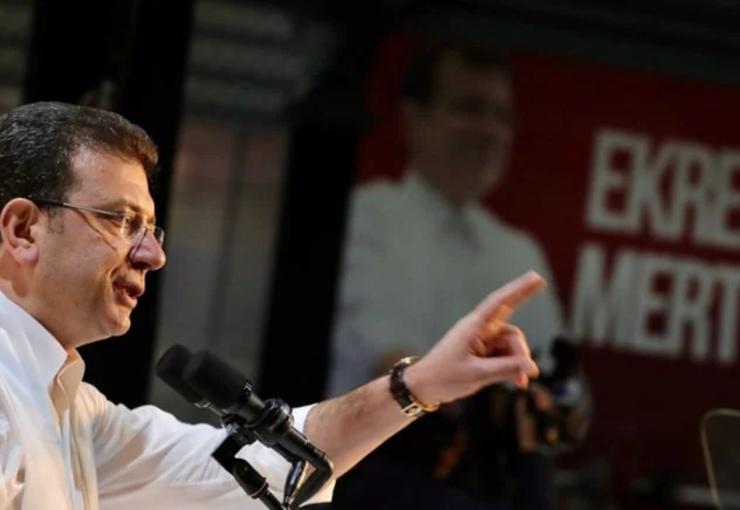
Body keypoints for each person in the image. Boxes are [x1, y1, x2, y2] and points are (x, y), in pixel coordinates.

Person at [0, 101, 544, 509]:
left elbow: (255, 467)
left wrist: (419, 384)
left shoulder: (73, 409)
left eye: (150, 228)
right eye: (122, 221)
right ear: (24, 229)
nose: (153, 255)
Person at [326, 41, 583, 509]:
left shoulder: (519, 251)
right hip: (375, 475)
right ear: (414, 120)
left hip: (493, 481)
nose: (489, 131)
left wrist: (551, 403)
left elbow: (561, 391)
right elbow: (387, 360)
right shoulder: (368, 217)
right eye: (470, 109)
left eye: (501, 117)